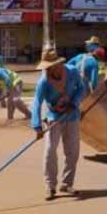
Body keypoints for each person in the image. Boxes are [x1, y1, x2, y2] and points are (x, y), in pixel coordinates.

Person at [31, 49, 86, 201]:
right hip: (54, 117)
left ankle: (67, 184)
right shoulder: (44, 81)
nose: (48, 70)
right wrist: (36, 124)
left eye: (50, 66)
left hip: (71, 116)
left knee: (72, 151)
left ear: (58, 64)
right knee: (50, 151)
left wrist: (74, 103)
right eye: (46, 67)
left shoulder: (72, 72)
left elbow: (81, 88)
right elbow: (37, 102)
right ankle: (50, 186)